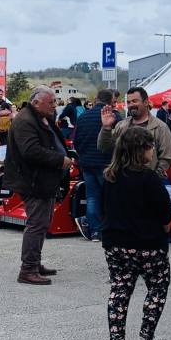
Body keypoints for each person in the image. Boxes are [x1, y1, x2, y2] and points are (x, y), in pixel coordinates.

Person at [100, 126, 171, 340]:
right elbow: (164, 213)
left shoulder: (110, 177)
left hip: (116, 242)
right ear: (141, 150)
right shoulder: (149, 178)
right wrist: (165, 227)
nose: (152, 151)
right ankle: (144, 338)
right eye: (150, 147)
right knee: (157, 287)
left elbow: (103, 209)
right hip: (148, 243)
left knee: (119, 289)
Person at [2, 86, 74, 285]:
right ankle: (28, 269)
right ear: (36, 102)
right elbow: (31, 151)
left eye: (54, 101)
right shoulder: (25, 121)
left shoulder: (39, 117)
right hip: (33, 180)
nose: (54, 105)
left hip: (43, 179)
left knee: (42, 223)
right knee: (37, 224)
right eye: (50, 102)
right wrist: (60, 161)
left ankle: (35, 264)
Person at [73, 89, 121, 242]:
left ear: (95, 100)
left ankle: (95, 231)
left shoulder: (83, 116)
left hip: (87, 162)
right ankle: (111, 228)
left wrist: (83, 156)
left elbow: (76, 141)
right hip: (107, 163)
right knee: (110, 197)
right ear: (111, 101)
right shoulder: (115, 117)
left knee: (92, 197)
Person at [98, 87, 171, 180]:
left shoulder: (160, 128)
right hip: (121, 181)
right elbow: (103, 147)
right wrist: (106, 128)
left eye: (134, 101)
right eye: (129, 102)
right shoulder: (121, 126)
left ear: (146, 102)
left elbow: (167, 157)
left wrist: (154, 177)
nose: (131, 105)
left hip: (146, 185)